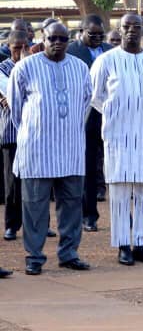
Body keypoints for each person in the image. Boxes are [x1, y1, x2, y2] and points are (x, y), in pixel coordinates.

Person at [9, 22, 92, 275]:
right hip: (37, 149)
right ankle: (34, 256)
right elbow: (16, 109)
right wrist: (35, 130)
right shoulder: (25, 67)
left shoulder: (80, 68)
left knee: (71, 205)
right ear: (42, 39)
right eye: (52, 38)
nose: (57, 43)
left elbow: (87, 102)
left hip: (71, 148)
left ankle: (69, 253)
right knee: (34, 207)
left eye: (62, 39)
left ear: (70, 40)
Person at [91, 14, 143, 266]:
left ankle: (142, 244)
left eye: (137, 27)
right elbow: (96, 97)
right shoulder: (105, 60)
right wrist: (116, 114)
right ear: (119, 30)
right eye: (126, 27)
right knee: (120, 193)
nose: (131, 31)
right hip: (118, 136)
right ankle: (123, 245)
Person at [66, 14, 113, 232]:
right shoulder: (71, 52)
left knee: (113, 164)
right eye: (91, 34)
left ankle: (122, 215)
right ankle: (89, 215)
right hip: (85, 117)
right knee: (88, 166)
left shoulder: (110, 51)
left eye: (100, 34)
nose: (96, 38)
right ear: (81, 31)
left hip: (111, 115)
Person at [1, 31, 30, 242]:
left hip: (34, 134)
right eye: (15, 47)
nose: (19, 51)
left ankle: (39, 224)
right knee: (12, 184)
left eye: (23, 47)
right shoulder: (2, 68)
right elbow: (10, 97)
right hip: (11, 132)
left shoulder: (36, 66)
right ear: (8, 47)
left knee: (36, 182)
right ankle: (11, 225)